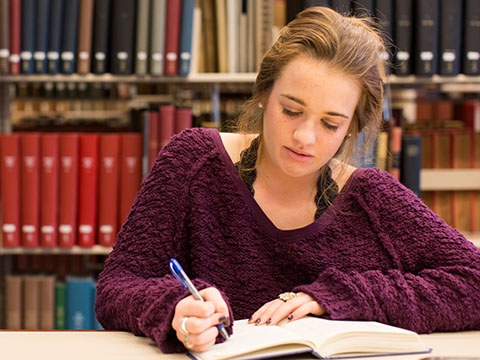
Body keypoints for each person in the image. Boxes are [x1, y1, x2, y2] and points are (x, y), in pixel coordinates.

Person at [95, 6, 480, 354]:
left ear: (351, 129)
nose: (305, 138)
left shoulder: (374, 198)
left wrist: (340, 296)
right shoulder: (192, 162)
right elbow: (117, 286)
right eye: (291, 110)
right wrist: (175, 308)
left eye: (331, 123)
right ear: (264, 93)